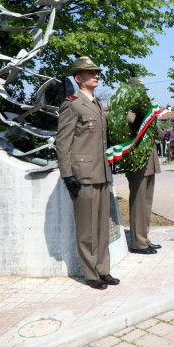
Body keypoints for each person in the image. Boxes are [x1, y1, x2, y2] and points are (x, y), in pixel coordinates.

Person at [56, 57, 119, 290]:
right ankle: (90, 273)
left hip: (101, 173)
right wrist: (66, 175)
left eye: (96, 72)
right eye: (90, 72)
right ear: (78, 78)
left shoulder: (96, 104)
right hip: (83, 175)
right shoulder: (72, 104)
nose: (96, 75)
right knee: (86, 228)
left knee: (102, 226)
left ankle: (104, 269)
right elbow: (63, 143)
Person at [125, 77, 165, 255]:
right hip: (138, 163)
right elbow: (134, 130)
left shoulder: (146, 111)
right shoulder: (128, 112)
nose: (143, 95)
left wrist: (152, 120)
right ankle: (138, 243)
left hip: (150, 162)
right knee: (139, 203)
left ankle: (144, 238)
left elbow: (161, 135)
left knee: (146, 204)